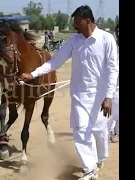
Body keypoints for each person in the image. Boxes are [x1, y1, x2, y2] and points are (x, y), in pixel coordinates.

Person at [19, 5, 118, 180]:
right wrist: (32, 74)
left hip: (101, 96)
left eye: (76, 22)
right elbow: (54, 62)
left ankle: (99, 159)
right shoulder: (74, 41)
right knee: (80, 131)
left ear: (87, 20)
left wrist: (109, 96)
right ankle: (90, 170)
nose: (74, 26)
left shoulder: (106, 39)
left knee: (99, 132)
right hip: (79, 95)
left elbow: (113, 69)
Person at [107, 23, 119, 143]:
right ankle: (110, 132)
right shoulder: (112, 48)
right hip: (112, 83)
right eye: (117, 31)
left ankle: (116, 132)